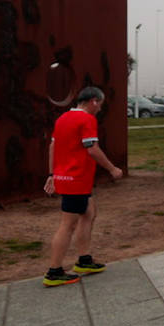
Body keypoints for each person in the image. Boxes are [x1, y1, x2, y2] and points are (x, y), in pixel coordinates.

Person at [42, 86, 123, 287]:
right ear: (93, 101)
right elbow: (92, 149)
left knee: (89, 212)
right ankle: (54, 272)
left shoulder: (62, 119)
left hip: (68, 178)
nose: (99, 109)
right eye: (100, 105)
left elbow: (53, 147)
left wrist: (52, 174)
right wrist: (112, 169)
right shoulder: (87, 120)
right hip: (75, 179)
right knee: (67, 225)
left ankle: (84, 260)